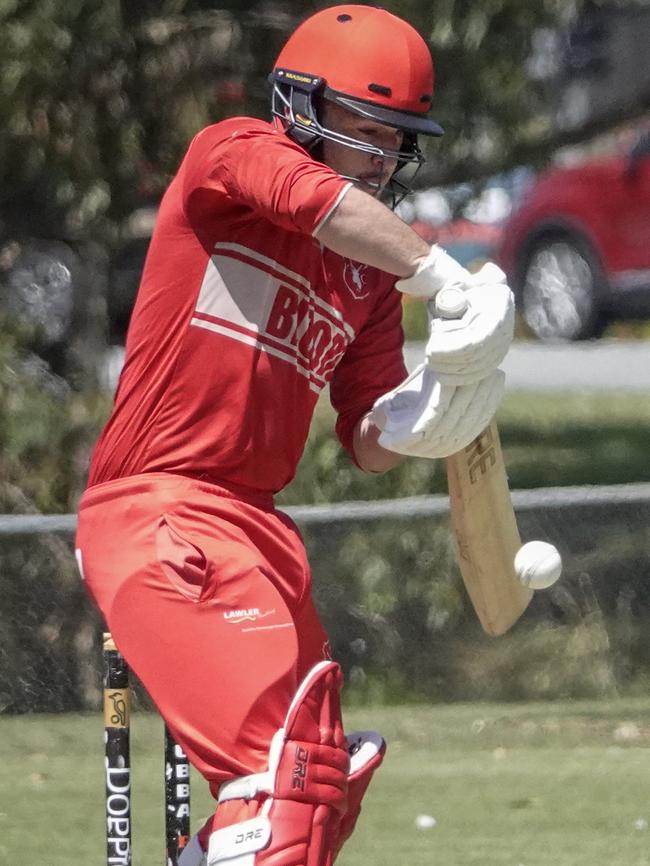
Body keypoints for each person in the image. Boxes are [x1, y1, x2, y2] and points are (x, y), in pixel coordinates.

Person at [75, 6, 514, 865]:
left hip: (259, 529)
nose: (384, 159)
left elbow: (366, 432)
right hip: (158, 508)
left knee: (321, 790)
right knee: (286, 793)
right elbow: (310, 198)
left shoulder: (368, 277)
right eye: (366, 130)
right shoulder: (229, 155)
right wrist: (441, 275)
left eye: (398, 141)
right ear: (301, 105)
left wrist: (430, 411)